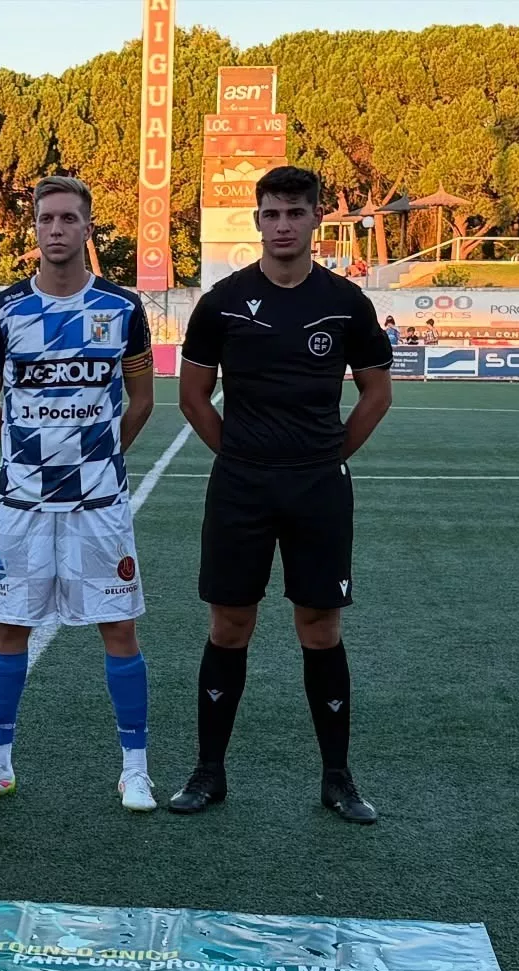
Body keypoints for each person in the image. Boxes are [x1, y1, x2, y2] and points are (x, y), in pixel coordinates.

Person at [169, 165, 393, 825]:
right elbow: (192, 397)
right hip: (241, 486)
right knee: (229, 624)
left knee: (320, 627)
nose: (283, 225)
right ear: (257, 220)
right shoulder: (224, 301)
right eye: (272, 213)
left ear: (316, 218)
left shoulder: (346, 303)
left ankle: (338, 779)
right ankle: (209, 772)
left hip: (318, 486)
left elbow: (377, 393)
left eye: (296, 212)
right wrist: (241, 456)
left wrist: (329, 456)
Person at [0, 175, 157, 811]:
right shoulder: (5, 310)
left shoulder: (123, 308)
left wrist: (102, 456)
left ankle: (135, 770)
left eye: (69, 218)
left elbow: (142, 399)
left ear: (88, 228)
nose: (57, 229)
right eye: (47, 219)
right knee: (8, 626)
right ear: (35, 228)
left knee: (118, 627)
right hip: (24, 502)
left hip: (100, 501)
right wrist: (21, 453)